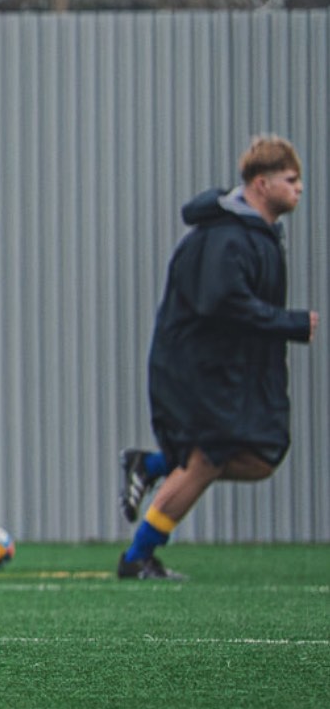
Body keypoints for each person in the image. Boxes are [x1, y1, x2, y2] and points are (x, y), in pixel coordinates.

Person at [116, 135, 313, 580]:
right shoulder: (228, 238)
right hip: (196, 368)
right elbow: (222, 305)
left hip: (224, 369)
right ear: (261, 184)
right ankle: (136, 558)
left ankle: (149, 466)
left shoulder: (254, 234)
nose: (300, 188)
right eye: (291, 179)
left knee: (261, 457)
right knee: (207, 458)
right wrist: (292, 324)